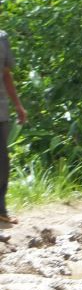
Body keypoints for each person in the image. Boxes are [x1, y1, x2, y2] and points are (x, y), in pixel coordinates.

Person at [0, 30, 27, 225]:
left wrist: (18, 105)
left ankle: (0, 209)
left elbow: (6, 74)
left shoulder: (2, 38)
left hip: (0, 111)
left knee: (2, 163)